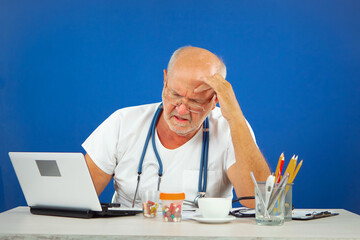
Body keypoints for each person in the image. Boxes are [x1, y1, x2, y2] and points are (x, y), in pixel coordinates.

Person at [82, 46, 270, 208]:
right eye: (175, 94)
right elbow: (79, 198)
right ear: (165, 81)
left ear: (215, 100)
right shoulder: (123, 122)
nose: (181, 110)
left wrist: (235, 117)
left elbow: (258, 200)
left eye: (195, 102)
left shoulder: (231, 127)